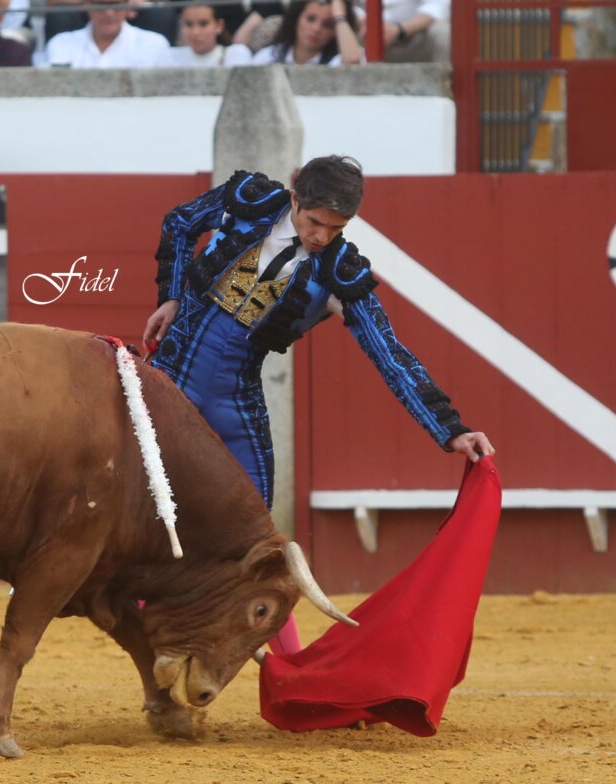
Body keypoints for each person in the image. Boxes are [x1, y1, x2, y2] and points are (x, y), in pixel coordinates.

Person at [142, 156, 495, 654]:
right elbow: (179, 223)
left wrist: (450, 429)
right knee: (134, 508)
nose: (321, 236)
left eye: (336, 228)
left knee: (258, 545)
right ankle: (145, 631)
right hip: (167, 380)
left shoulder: (338, 273)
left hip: (234, 401)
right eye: (314, 222)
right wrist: (171, 296)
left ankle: (289, 667)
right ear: (294, 198)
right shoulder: (249, 201)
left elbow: (389, 353)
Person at [45, 0, 170, 69]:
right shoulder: (61, 44)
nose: (109, 13)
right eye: (100, 5)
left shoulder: (154, 44)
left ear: (127, 3)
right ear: (86, 3)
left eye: (116, 4)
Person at [251, 0, 362, 67]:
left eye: (327, 25)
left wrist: (340, 17)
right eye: (310, 19)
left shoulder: (335, 61)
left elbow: (352, 60)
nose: (316, 29)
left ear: (335, 32)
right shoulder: (269, 56)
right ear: (296, 19)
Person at [44, 0, 176, 44]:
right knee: (61, 13)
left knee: (160, 12)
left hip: (135, 9)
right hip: (91, 8)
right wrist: (99, 0)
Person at [360, 0, 450, 64]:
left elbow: (439, 3)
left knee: (443, 32)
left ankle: (448, 77)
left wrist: (398, 30)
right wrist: (367, 24)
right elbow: (351, 2)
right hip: (364, 33)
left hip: (415, 35)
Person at [169, 0, 250, 67]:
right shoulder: (172, 57)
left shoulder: (235, 55)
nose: (195, 32)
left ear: (219, 26)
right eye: (189, 24)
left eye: (203, 24)